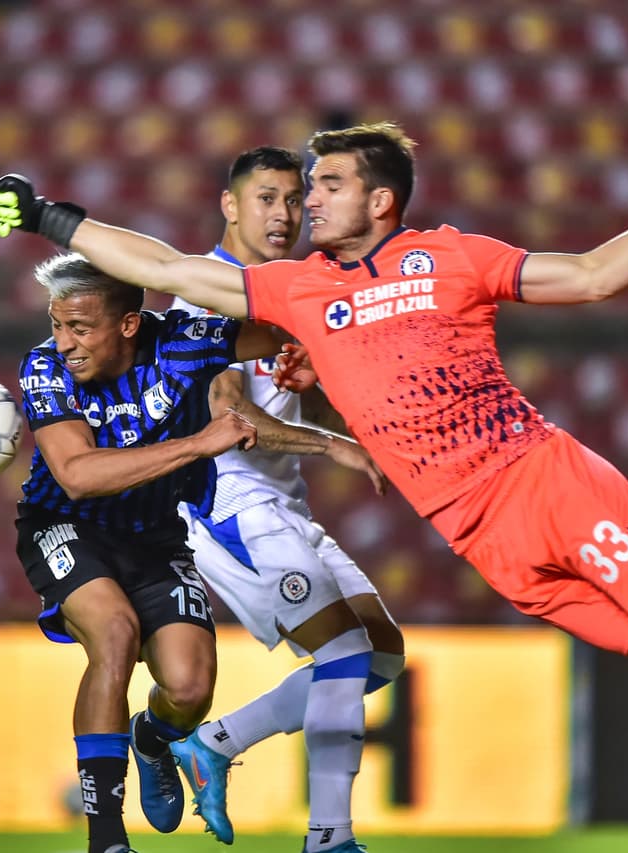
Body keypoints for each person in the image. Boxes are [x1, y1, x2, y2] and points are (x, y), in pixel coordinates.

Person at [0, 124, 628, 853]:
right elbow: (159, 265)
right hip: (478, 531)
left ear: (383, 200)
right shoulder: (301, 291)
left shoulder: (449, 256)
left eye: (326, 185)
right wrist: (49, 218)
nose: (305, 202)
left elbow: (589, 276)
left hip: (540, 475)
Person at [166, 145, 406, 852]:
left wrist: (372, 433)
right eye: (266, 199)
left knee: (381, 654)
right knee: (339, 653)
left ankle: (216, 741)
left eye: (294, 200)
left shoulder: (289, 291)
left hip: (282, 503)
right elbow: (234, 419)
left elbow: (303, 403)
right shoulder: (208, 293)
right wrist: (337, 448)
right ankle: (329, 838)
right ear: (231, 206)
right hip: (230, 505)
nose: (284, 214)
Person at [11, 253, 288, 853]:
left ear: (129, 324)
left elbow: (285, 326)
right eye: (58, 325)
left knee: (189, 690)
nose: (64, 343)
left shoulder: (185, 344)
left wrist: (299, 353)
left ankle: (154, 738)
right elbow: (78, 474)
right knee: (114, 632)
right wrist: (199, 443)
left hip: (156, 535)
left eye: (80, 328)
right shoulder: (43, 367)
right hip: (64, 524)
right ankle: (106, 839)